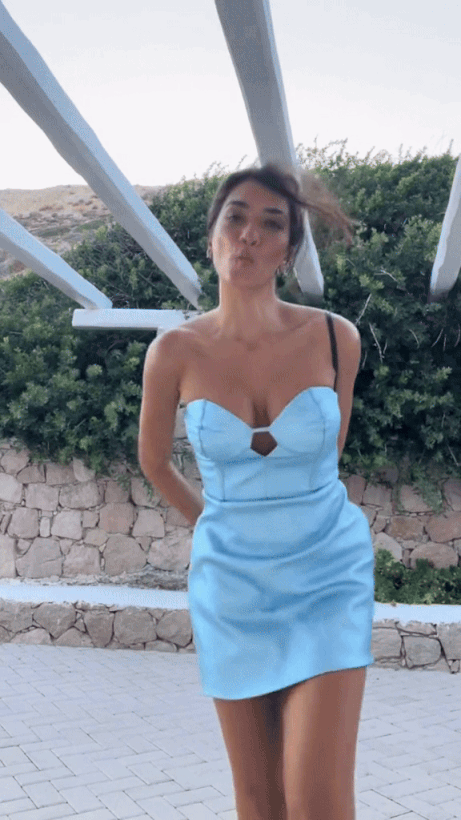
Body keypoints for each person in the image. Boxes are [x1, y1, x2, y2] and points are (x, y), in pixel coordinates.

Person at [138, 163, 375, 820]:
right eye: (235, 217)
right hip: (231, 587)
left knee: (317, 801)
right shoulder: (173, 352)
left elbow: (327, 453)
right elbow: (153, 461)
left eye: (271, 224)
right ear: (211, 234)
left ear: (288, 250)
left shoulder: (335, 337)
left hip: (327, 577)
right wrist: (217, 524)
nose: (248, 234)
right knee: (260, 802)